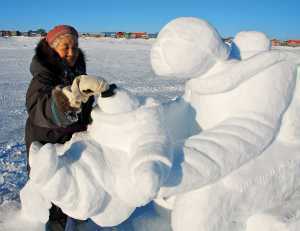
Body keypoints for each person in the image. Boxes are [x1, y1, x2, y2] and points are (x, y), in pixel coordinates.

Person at [25, 25, 109, 230]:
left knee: (77, 189)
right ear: (52, 48)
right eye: (65, 47)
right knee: (54, 196)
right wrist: (70, 98)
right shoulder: (42, 78)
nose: (71, 52)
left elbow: (85, 111)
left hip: (73, 146)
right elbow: (41, 110)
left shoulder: (76, 72)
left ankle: (80, 220)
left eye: (75, 46)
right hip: (48, 147)